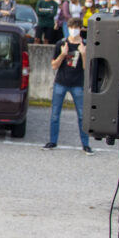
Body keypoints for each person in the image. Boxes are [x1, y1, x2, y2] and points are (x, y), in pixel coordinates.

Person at [43, 18, 93, 155]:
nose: (73, 30)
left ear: (80, 29)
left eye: (76, 27)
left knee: (82, 115)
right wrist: (63, 54)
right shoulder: (61, 43)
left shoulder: (85, 44)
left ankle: (86, 144)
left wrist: (83, 53)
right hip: (61, 82)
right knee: (55, 114)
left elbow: (86, 68)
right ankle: (52, 141)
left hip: (77, 84)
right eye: (71, 27)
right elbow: (54, 65)